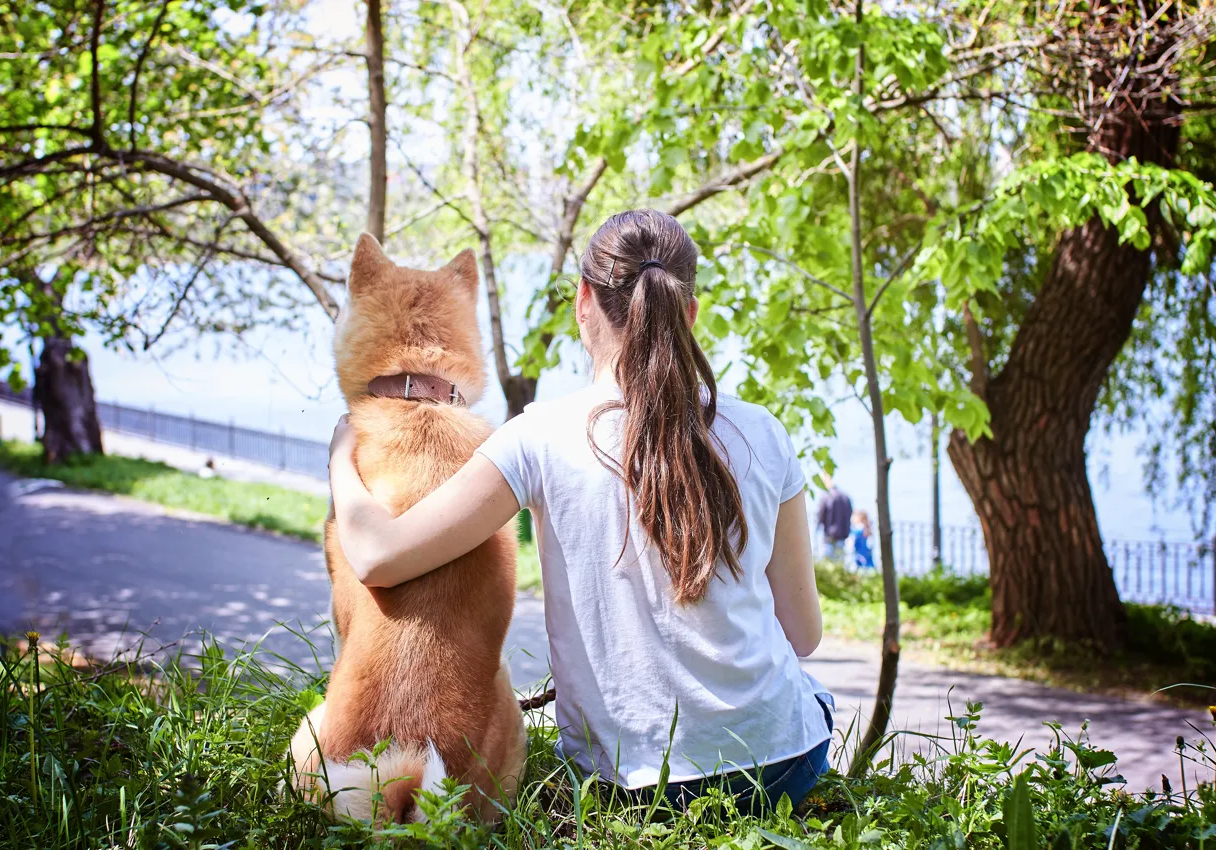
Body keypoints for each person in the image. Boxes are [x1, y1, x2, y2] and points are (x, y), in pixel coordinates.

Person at [328, 209, 833, 813]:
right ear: (689, 313)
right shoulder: (763, 432)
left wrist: (343, 449)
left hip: (627, 787)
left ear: (583, 303)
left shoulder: (537, 437)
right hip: (780, 767)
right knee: (812, 694)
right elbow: (802, 637)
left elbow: (379, 557)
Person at [815, 476, 852, 560]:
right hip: (842, 535)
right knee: (840, 560)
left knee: (828, 561)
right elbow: (850, 514)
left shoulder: (826, 497)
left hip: (829, 535)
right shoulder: (845, 497)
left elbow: (820, 516)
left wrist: (817, 530)